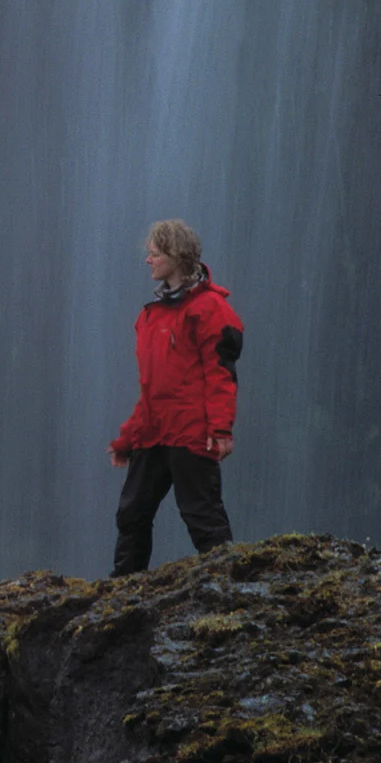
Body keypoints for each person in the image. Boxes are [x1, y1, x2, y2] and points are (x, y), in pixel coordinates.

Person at [107, 219, 242, 576]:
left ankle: (226, 588)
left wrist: (221, 428)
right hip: (154, 432)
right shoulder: (151, 315)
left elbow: (220, 374)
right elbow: (152, 388)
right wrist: (126, 438)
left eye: (154, 254)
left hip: (191, 431)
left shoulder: (210, 309)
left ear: (175, 255)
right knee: (132, 513)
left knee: (201, 514)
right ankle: (122, 592)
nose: (147, 261)